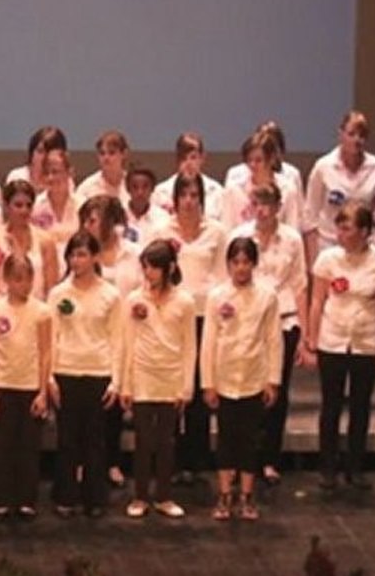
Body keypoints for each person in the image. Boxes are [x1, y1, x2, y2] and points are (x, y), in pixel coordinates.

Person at [303, 203, 375, 490]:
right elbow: (317, 301)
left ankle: (355, 467)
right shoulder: (328, 259)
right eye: (339, 227)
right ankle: (327, 467)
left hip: (366, 340)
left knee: (360, 406)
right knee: (330, 406)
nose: (341, 233)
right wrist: (311, 341)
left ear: (365, 231)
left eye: (347, 228)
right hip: (333, 339)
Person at [229, 183, 308, 484]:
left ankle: (269, 459)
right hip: (248, 321)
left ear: (278, 206)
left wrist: (306, 334)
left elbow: (300, 284)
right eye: (256, 203)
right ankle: (240, 459)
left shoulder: (291, 239)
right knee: (245, 392)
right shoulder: (240, 236)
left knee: (277, 390)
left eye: (267, 203)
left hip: (284, 319)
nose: (261, 209)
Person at [201, 237, 282, 521]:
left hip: (253, 378)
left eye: (246, 262)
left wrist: (273, 380)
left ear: (254, 264)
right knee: (225, 440)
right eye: (236, 262)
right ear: (228, 264)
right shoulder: (216, 296)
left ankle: (247, 496)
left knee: (249, 441)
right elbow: (209, 342)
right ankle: (224, 495)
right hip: (224, 378)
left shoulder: (267, 297)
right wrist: (208, 382)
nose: (241, 268)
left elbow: (274, 340)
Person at [153, 173, 227, 484]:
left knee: (198, 389)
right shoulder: (162, 230)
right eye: (183, 195)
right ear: (175, 198)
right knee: (172, 386)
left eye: (194, 195)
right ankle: (169, 460)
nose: (189, 200)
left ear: (201, 198)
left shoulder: (217, 232)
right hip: (172, 315)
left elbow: (223, 277)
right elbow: (154, 273)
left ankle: (195, 460)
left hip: (204, 316)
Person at [47, 231, 122, 519]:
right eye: (72, 255)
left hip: (98, 372)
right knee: (67, 439)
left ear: (94, 258)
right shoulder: (58, 293)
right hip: (66, 370)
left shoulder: (110, 295)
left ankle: (95, 498)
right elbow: (51, 336)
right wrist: (50, 377)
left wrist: (116, 380)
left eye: (82, 254)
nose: (76, 261)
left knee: (95, 439)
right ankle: (66, 495)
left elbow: (117, 339)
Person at [120, 239, 196, 519]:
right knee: (143, 441)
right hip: (142, 376)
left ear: (169, 268)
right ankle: (140, 496)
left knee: (166, 441)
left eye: (153, 268)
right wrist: (125, 384)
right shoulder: (134, 299)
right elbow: (126, 342)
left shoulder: (184, 302)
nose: (148, 273)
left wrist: (186, 387)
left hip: (171, 378)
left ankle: (164, 496)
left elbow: (189, 346)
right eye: (145, 268)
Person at [78, 194, 141, 488]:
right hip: (91, 335)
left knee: (114, 404)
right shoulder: (83, 253)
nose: (88, 225)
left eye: (93, 219)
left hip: (126, 333)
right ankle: (84, 462)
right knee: (89, 405)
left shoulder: (132, 253)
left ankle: (112, 461)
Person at [0, 255, 51, 521]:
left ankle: (25, 499)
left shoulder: (41, 312)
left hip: (30, 386)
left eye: (28, 279)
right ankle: (1, 499)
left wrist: (43, 391)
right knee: (0, 445)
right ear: (7, 280)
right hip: (2, 384)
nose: (24, 285)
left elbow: (45, 352)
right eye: (18, 279)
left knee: (28, 446)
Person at [303, 110, 375, 265]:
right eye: (351, 134)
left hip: (366, 249)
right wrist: (314, 263)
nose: (356, 140)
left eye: (362, 135)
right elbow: (309, 217)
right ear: (341, 134)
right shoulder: (323, 167)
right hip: (330, 247)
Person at [0, 180, 58, 304]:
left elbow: (52, 291)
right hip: (4, 317)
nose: (24, 210)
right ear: (6, 206)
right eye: (18, 205)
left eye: (28, 205)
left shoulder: (46, 242)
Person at [220, 131, 302, 232]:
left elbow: (292, 228)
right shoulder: (234, 190)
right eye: (249, 160)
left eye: (258, 160)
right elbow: (227, 228)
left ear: (271, 159)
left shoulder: (287, 189)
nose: (252, 165)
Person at [151, 133, 224, 219]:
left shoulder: (216, 191)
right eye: (183, 158)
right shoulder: (161, 192)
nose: (188, 163)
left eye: (193, 157)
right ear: (177, 159)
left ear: (202, 158)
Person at [31, 149, 84, 260]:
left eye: (55, 172)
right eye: (46, 173)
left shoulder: (82, 205)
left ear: (70, 172)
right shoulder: (35, 206)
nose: (50, 178)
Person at [5, 126, 69, 192]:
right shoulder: (17, 177)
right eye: (40, 151)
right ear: (32, 152)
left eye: (49, 153)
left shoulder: (64, 182)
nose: (44, 158)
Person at [76, 130, 130, 203]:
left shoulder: (134, 185)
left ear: (124, 154)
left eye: (111, 153)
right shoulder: (86, 188)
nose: (106, 158)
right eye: (102, 153)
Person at [123, 167, 168, 247]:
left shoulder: (163, 218)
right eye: (135, 187)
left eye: (145, 187)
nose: (140, 192)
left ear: (152, 189)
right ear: (128, 189)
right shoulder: (117, 217)